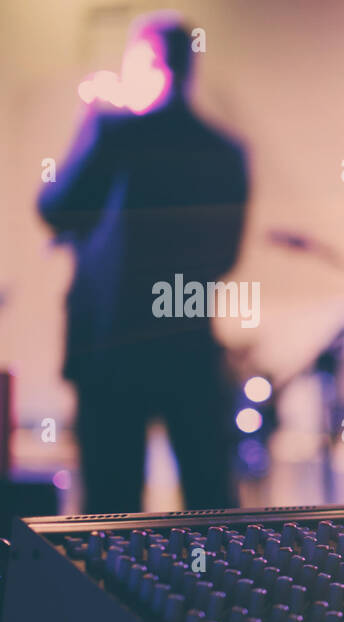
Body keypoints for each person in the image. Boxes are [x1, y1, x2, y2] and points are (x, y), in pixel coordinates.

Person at [38, 12, 247, 513]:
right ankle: (214, 590)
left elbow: (54, 207)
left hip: (111, 349)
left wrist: (89, 115)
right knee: (210, 507)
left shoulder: (115, 135)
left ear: (149, 63)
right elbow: (225, 256)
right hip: (187, 343)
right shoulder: (225, 151)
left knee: (110, 510)